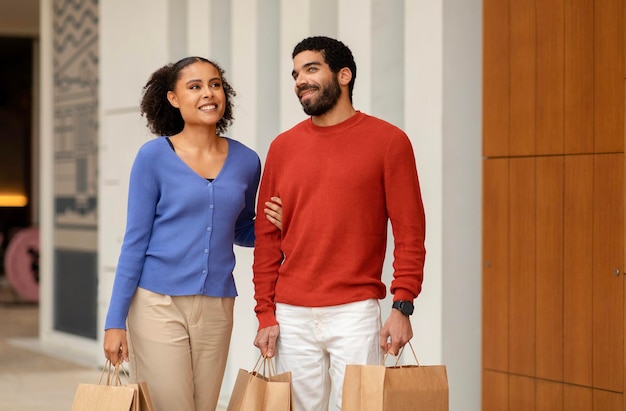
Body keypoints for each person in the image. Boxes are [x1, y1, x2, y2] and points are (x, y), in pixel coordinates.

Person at [252, 36, 427, 411]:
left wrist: (402, 306)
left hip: (354, 310)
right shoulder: (282, 148)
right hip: (291, 313)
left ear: (343, 75)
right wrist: (265, 312)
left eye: (311, 69)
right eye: (296, 73)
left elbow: (410, 232)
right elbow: (267, 238)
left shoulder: (389, 142)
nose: (300, 79)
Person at [103, 56, 282, 411]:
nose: (208, 93)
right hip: (157, 302)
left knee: (204, 406)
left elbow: (242, 230)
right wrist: (114, 322)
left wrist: (275, 224)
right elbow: (135, 242)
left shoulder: (247, 161)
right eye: (195, 86)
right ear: (173, 98)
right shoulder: (153, 157)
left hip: (217, 305)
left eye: (215, 84)